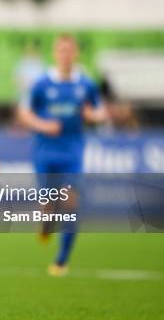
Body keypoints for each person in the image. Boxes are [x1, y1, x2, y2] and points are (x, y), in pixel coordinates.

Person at [17, 34, 106, 276]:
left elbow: (101, 112)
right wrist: (44, 126)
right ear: (56, 54)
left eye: (69, 51)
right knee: (48, 208)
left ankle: (61, 260)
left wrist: (92, 116)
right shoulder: (42, 84)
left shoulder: (86, 85)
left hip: (72, 153)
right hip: (45, 153)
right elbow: (24, 113)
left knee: (70, 202)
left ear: (75, 53)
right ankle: (46, 225)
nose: (65, 55)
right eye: (61, 51)